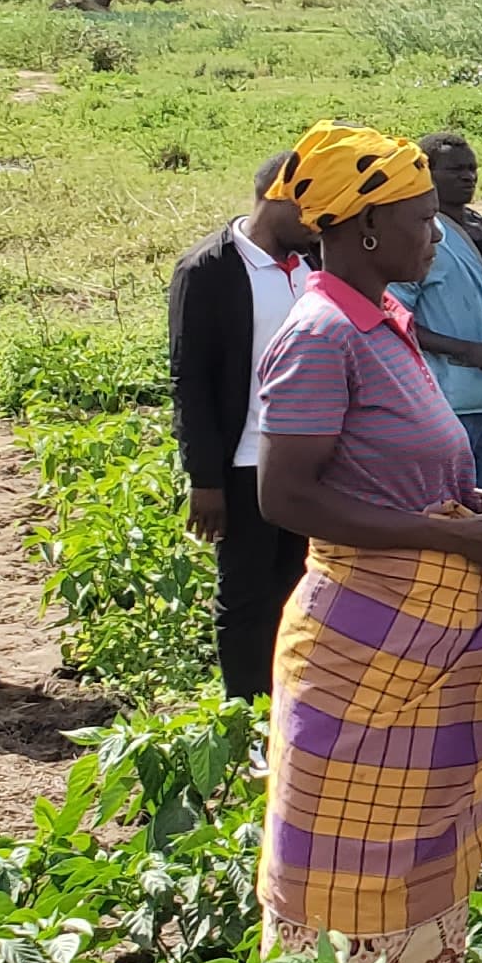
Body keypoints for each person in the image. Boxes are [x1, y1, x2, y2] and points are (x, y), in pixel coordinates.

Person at [248, 125, 482, 963]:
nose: (437, 235)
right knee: (348, 866)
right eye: (422, 220)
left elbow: (414, 468)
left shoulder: (382, 319)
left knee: (416, 854)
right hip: (365, 641)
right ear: (364, 230)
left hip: (419, 636)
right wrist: (457, 544)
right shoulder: (320, 334)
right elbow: (286, 497)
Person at [167, 153, 318, 699]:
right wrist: (204, 480)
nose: (320, 221)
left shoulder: (316, 263)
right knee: (247, 594)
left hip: (311, 461)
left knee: (304, 586)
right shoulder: (209, 269)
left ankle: (292, 704)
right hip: (243, 462)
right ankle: (247, 710)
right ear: (277, 197)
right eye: (311, 207)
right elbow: (192, 380)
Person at [391, 130, 482, 500]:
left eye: (472, 168)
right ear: (426, 173)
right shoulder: (422, 236)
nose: (468, 176)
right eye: (455, 170)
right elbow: (394, 317)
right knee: (447, 503)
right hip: (447, 399)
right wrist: (465, 350)